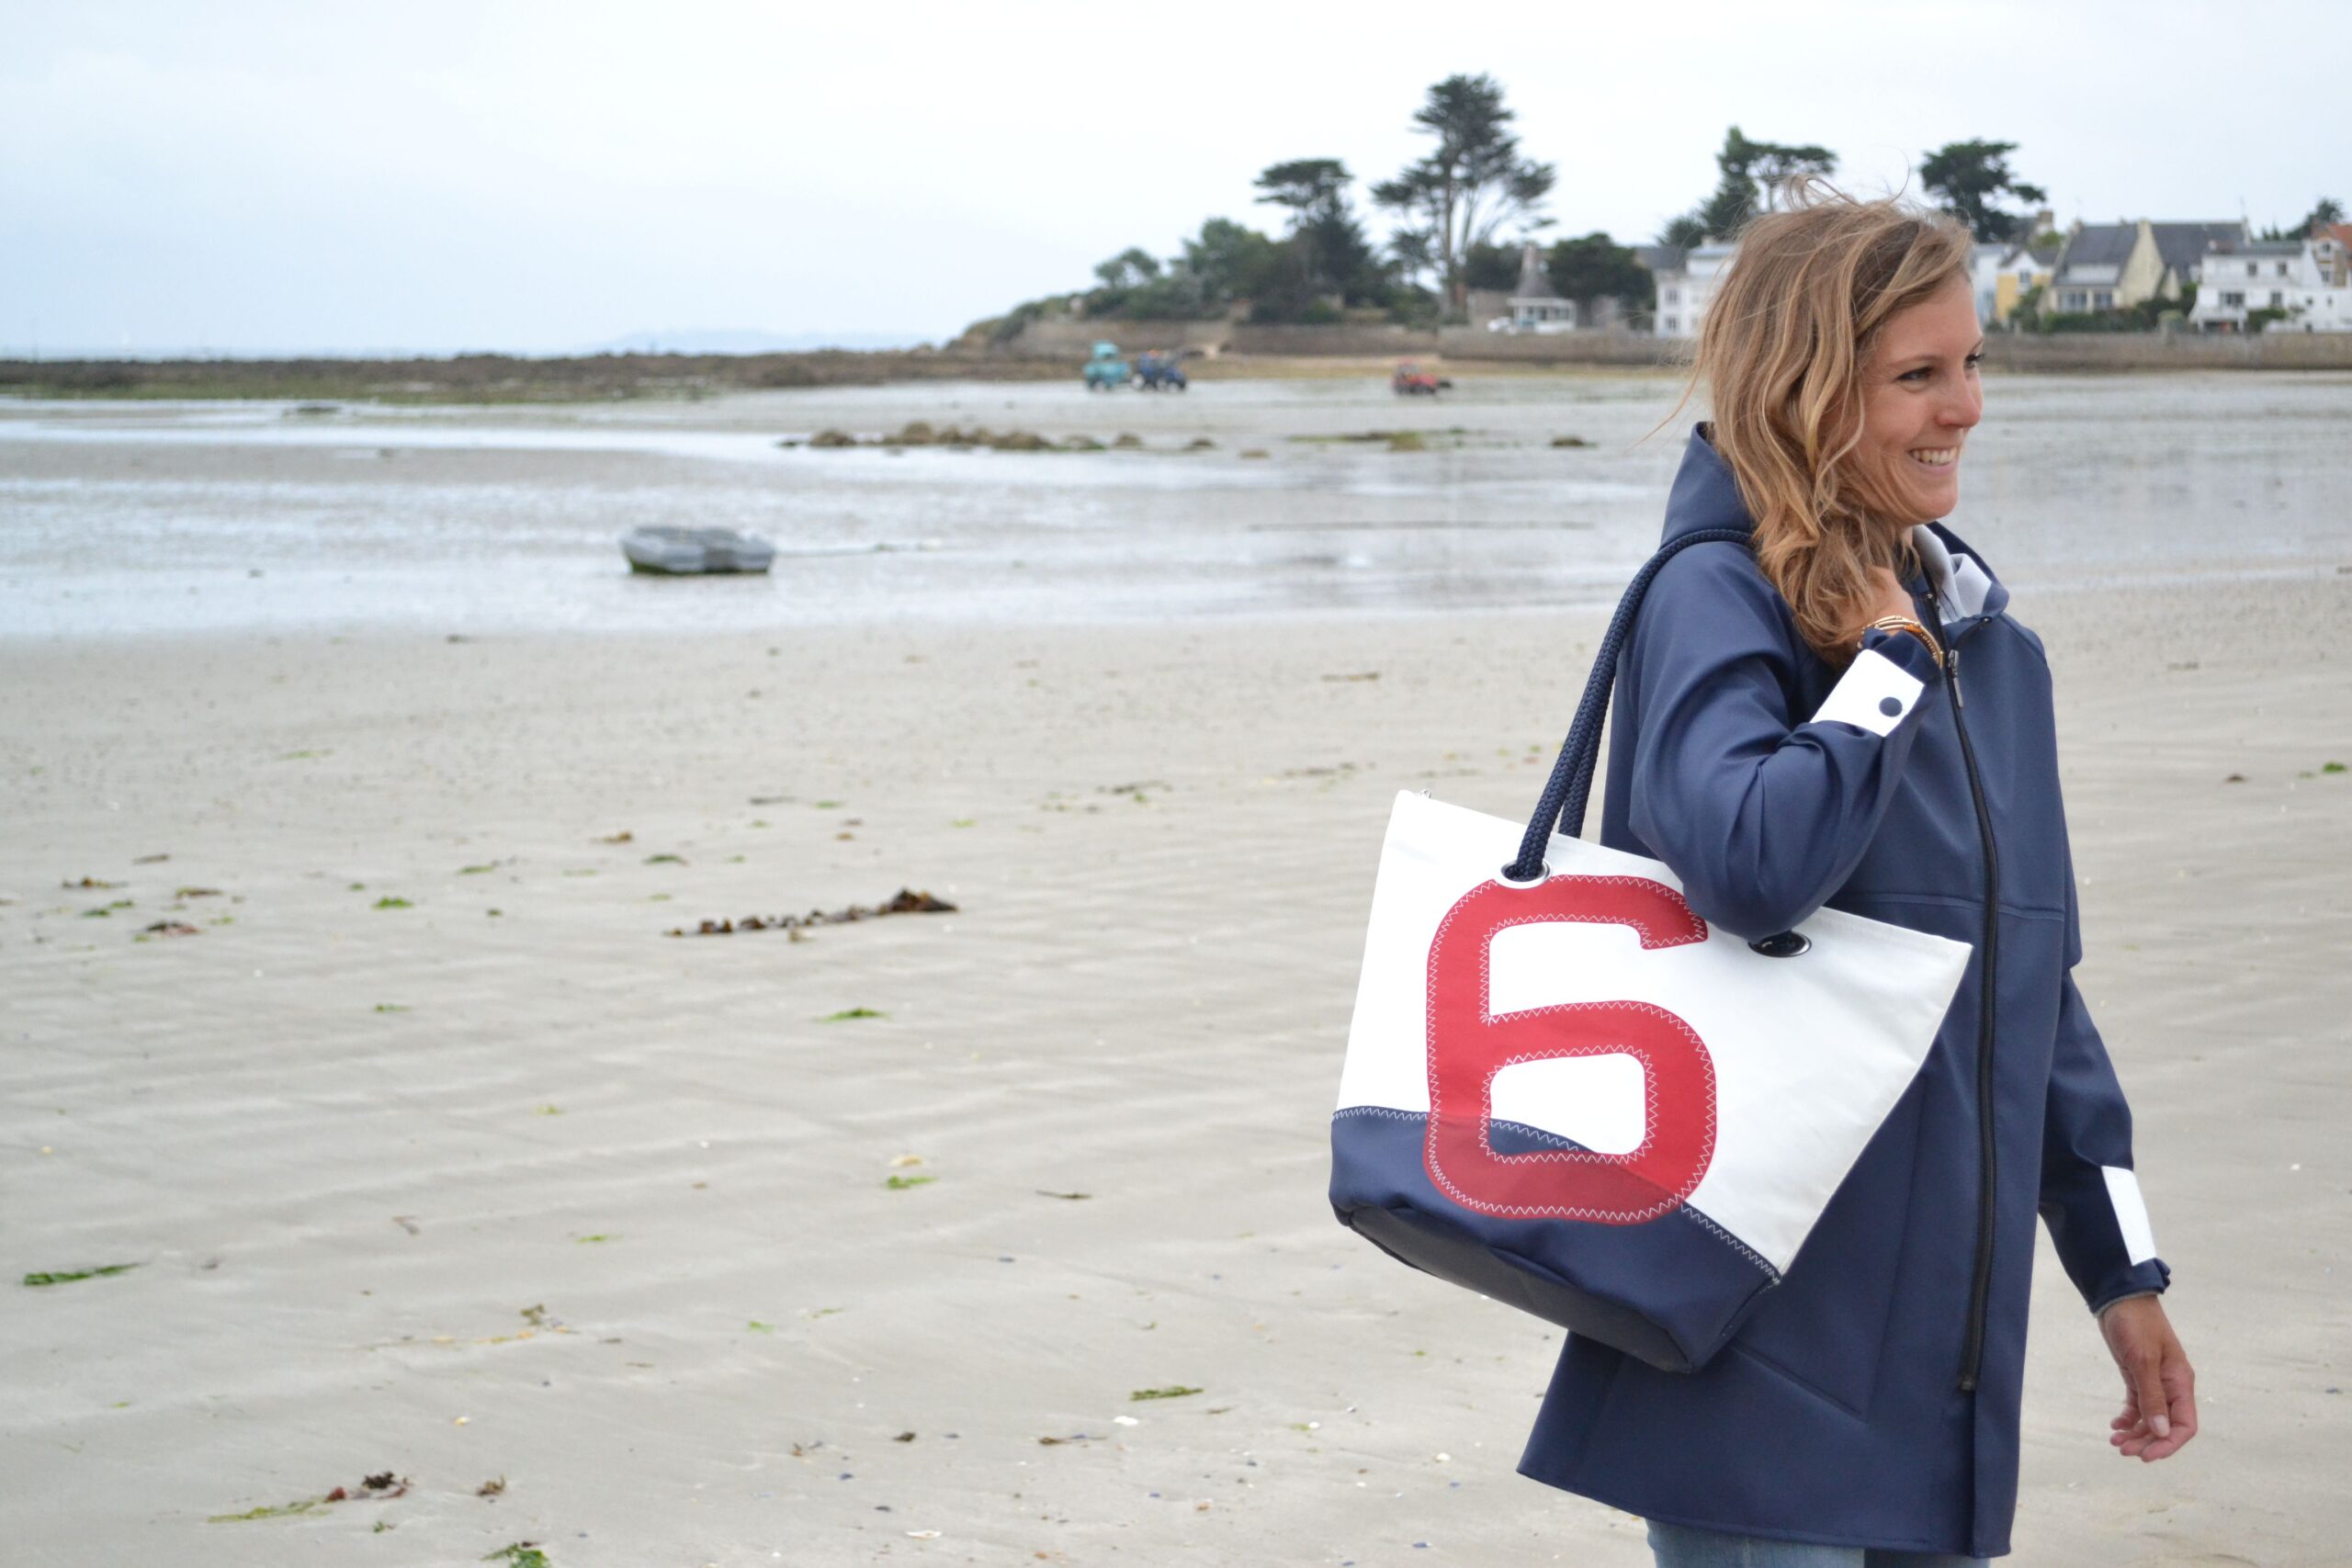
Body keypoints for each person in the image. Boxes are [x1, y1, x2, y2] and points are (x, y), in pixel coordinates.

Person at [1516, 186, 2197, 1564]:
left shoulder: (1991, 651)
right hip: (1754, 1336)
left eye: (1973, 366)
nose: (1967, 410)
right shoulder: (1713, 595)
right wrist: (1882, 674)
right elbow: (1746, 863)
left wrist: (2122, 1271)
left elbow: (2032, 990)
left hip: (1937, 1358)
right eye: (1919, 376)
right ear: (1808, 390)